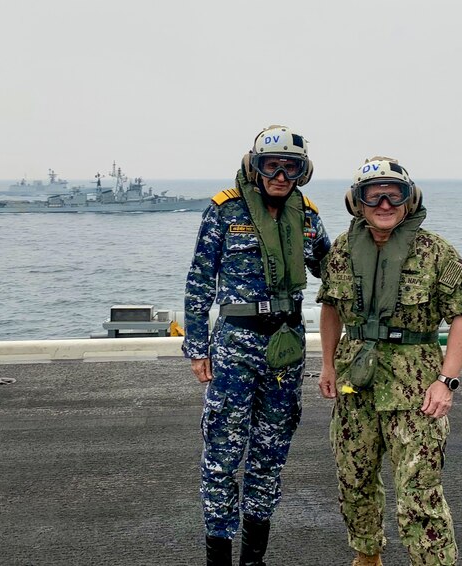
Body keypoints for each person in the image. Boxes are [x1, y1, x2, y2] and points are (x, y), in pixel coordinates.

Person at [317, 157, 462, 566]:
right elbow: (331, 308)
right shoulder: (341, 250)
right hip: (355, 386)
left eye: (395, 194)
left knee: (419, 493)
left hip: (416, 391)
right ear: (357, 202)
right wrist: (328, 365)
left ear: (410, 199)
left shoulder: (435, 251)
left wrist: (447, 381)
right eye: (374, 195)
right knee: (353, 480)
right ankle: (367, 555)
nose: (385, 204)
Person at [183, 125, 331, 565]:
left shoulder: (306, 216)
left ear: (303, 172)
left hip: (286, 350)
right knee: (223, 455)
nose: (281, 176)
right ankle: (218, 559)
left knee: (271, 454)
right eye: (272, 166)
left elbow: (331, 268)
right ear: (255, 166)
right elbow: (199, 280)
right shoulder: (224, 210)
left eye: (291, 167)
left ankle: (253, 559)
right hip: (235, 347)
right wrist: (197, 347)